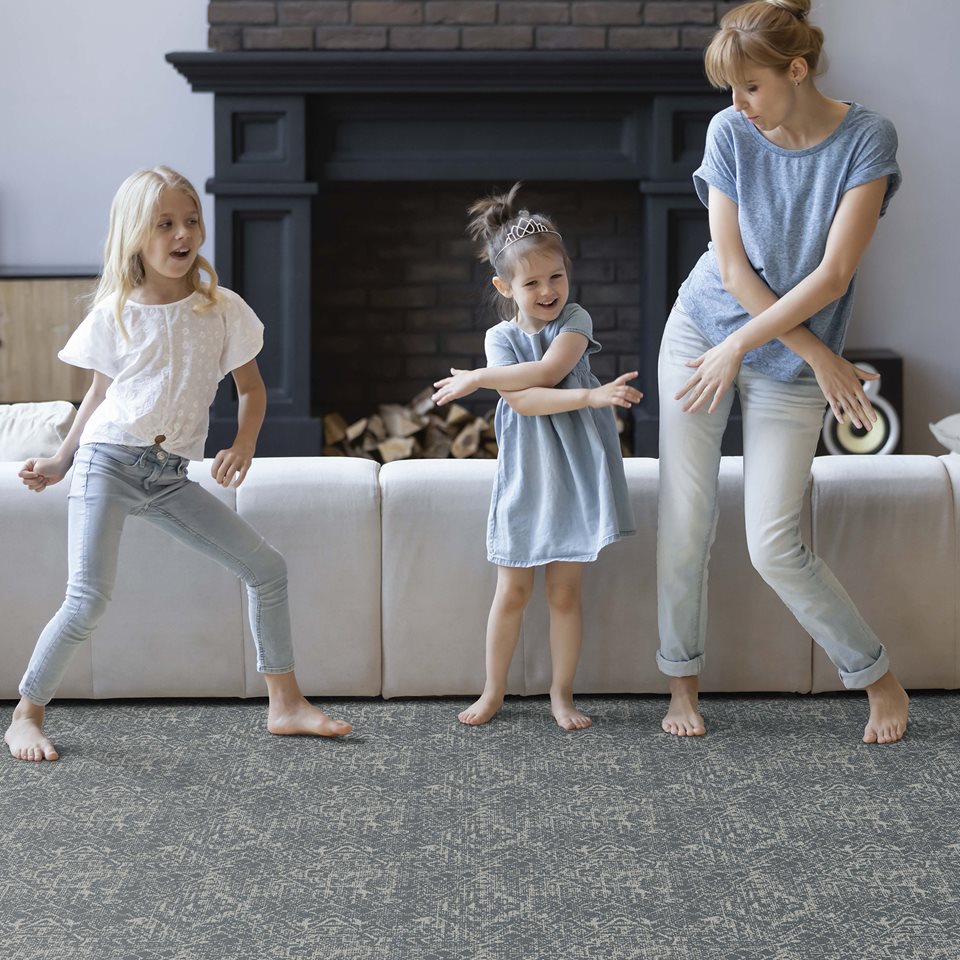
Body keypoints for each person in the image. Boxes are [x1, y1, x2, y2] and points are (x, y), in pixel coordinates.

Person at [4, 166, 352, 762]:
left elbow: (251, 389)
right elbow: (97, 397)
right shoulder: (116, 311)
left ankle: (286, 704)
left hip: (168, 476)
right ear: (136, 234)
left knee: (267, 569)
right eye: (164, 223)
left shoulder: (221, 309)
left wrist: (244, 443)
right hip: (107, 462)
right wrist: (62, 461)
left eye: (190, 221)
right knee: (88, 597)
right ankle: (26, 716)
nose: (182, 233)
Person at [657, 0, 909, 742]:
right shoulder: (730, 129)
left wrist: (760, 349)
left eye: (752, 88)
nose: (737, 106)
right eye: (729, 91)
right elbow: (730, 268)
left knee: (772, 542)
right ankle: (681, 686)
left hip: (770, 358)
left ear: (796, 71)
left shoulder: (867, 138)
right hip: (703, 329)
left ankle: (877, 678)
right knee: (684, 519)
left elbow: (833, 273)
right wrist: (815, 351)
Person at [432, 184, 639, 730]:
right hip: (528, 476)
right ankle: (493, 690)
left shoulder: (576, 320)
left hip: (574, 474)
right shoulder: (499, 338)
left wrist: (479, 379)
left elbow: (548, 373)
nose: (547, 290)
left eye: (556, 277)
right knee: (513, 590)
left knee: (565, 593)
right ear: (505, 286)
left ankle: (561, 695)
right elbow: (524, 402)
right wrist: (492, 376)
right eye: (531, 282)